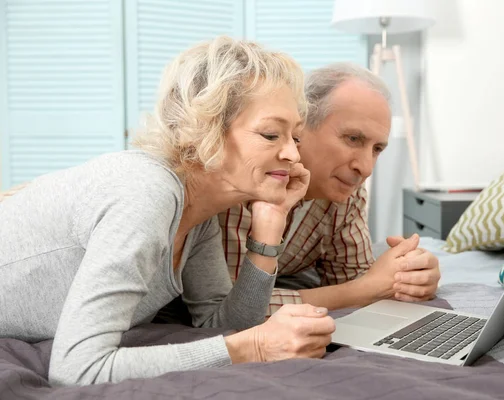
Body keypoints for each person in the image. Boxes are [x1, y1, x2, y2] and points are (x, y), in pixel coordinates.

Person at [0, 36, 335, 386]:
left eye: (295, 137)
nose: (293, 156)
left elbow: (221, 327)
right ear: (207, 128)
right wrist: (253, 348)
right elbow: (77, 370)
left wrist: (269, 229)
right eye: (270, 134)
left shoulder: (199, 216)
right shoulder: (145, 193)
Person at [219, 63, 441, 315]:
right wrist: (366, 289)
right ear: (300, 127)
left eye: (377, 149)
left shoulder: (345, 192)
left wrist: (409, 276)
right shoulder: (247, 178)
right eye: (353, 139)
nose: (366, 168)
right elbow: (232, 307)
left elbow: (354, 279)